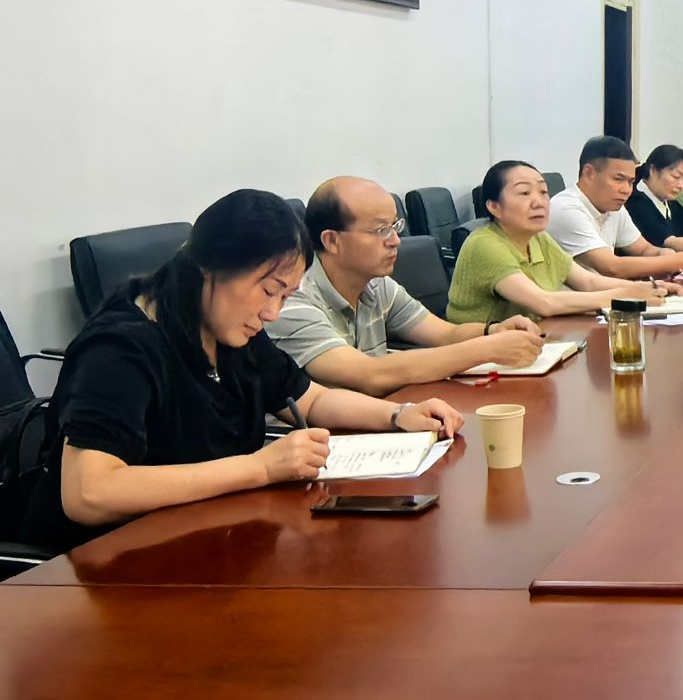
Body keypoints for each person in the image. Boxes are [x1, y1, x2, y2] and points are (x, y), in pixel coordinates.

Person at [22, 190, 464, 554]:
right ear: (208, 268)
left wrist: (398, 415)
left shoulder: (230, 329)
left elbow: (309, 398)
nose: (273, 313)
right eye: (269, 290)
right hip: (113, 566)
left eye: (285, 296)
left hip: (213, 542)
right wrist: (261, 468)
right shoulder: (120, 349)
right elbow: (89, 494)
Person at [267, 177, 547, 395]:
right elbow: (368, 374)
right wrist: (487, 349)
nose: (395, 240)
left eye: (395, 226)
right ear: (331, 240)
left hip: (379, 416)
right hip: (321, 438)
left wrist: (493, 331)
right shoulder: (291, 299)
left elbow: (446, 334)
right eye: (381, 230)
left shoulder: (377, 285)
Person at [447, 160, 671, 326]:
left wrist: (642, 288)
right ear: (494, 206)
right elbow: (544, 303)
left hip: (529, 340)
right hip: (478, 357)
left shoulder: (538, 237)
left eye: (543, 192)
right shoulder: (485, 244)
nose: (539, 202)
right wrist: (626, 296)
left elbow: (588, 282)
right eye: (524, 193)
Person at [548, 135, 683, 278]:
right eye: (618, 179)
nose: (626, 190)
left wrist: (664, 255)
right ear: (589, 173)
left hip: (604, 297)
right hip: (574, 306)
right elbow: (611, 267)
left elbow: (644, 250)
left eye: (630, 182)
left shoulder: (614, 208)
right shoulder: (567, 208)